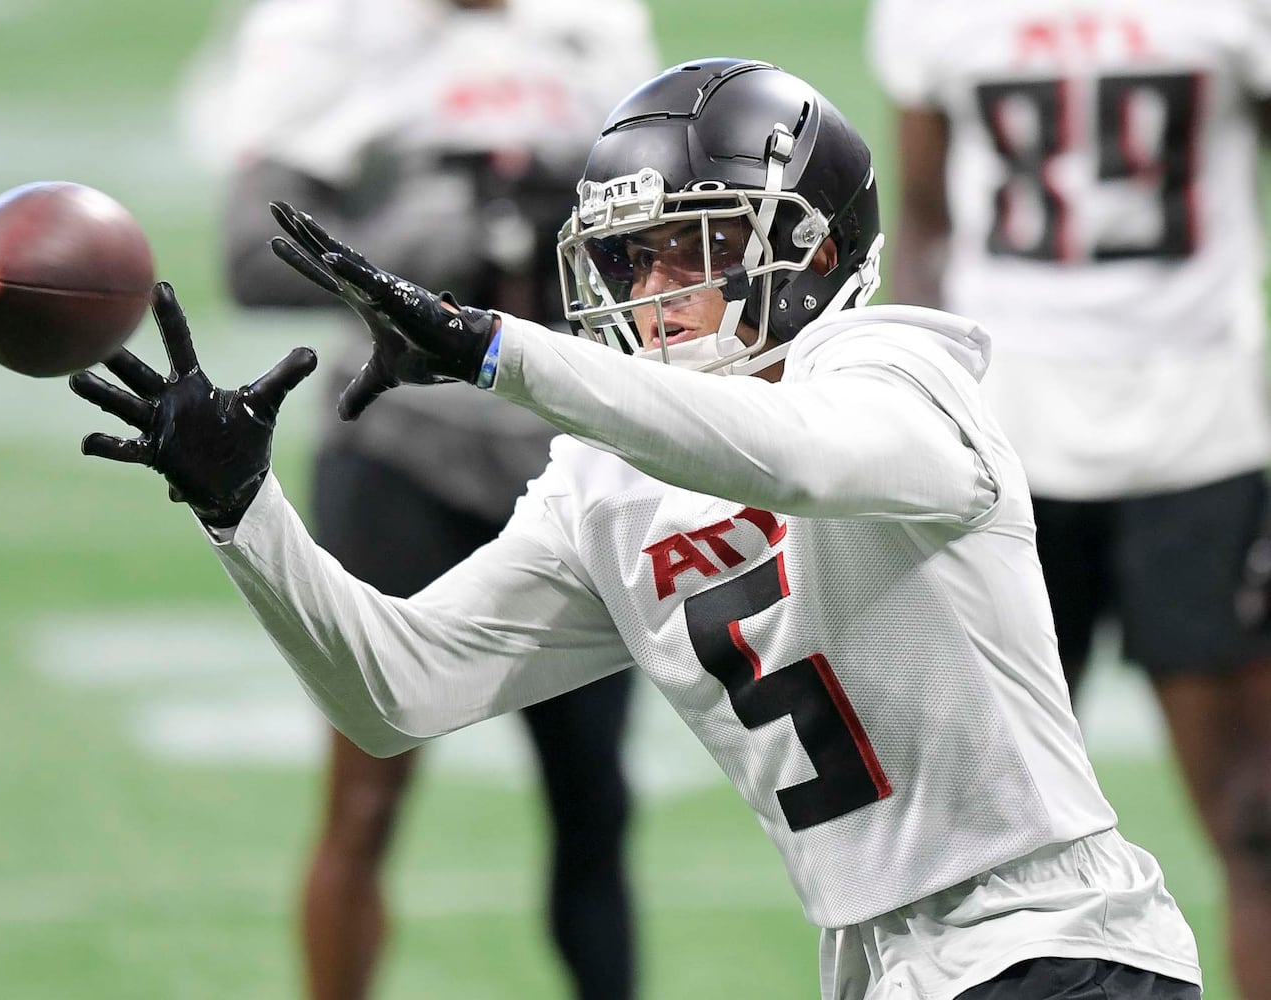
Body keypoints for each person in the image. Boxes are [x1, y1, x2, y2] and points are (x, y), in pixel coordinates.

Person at [70, 59, 1205, 999]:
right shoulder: (606, 481)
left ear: (810, 254)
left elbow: (791, 457)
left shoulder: (899, 370)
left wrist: (496, 349)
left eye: (689, 249)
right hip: (889, 967)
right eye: (627, 258)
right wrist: (242, 510)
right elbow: (393, 689)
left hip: (1055, 939)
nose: (651, 293)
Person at [180, 1, 658, 997]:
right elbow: (246, 256)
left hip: (564, 448)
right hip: (401, 445)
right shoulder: (320, 28)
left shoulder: (596, 19)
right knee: (365, 799)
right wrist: (394, 248)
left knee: (594, 801)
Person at [867, 2, 1271, 994]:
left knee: (1257, 815)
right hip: (1002, 451)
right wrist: (903, 418)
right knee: (973, 843)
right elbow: (923, 220)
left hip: (1203, 428)